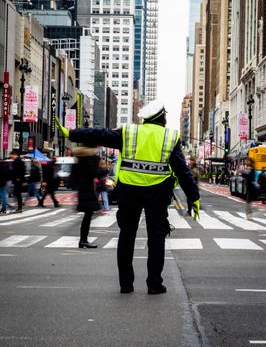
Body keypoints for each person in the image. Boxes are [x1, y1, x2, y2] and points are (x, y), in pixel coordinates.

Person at [56, 99, 200, 295]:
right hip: (157, 195)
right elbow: (183, 171)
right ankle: (154, 284)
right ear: (162, 117)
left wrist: (71, 133)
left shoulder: (129, 132)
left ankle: (126, 284)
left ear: (146, 119)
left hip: (129, 192)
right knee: (156, 240)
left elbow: (101, 134)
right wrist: (194, 197)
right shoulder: (169, 137)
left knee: (126, 237)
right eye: (165, 115)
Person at [72, 147, 100, 248]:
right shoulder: (89, 160)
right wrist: (102, 169)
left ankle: (83, 240)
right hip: (87, 190)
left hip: (83, 190)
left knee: (88, 216)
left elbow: (73, 178)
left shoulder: (79, 160)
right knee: (88, 216)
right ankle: (83, 240)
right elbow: (94, 173)